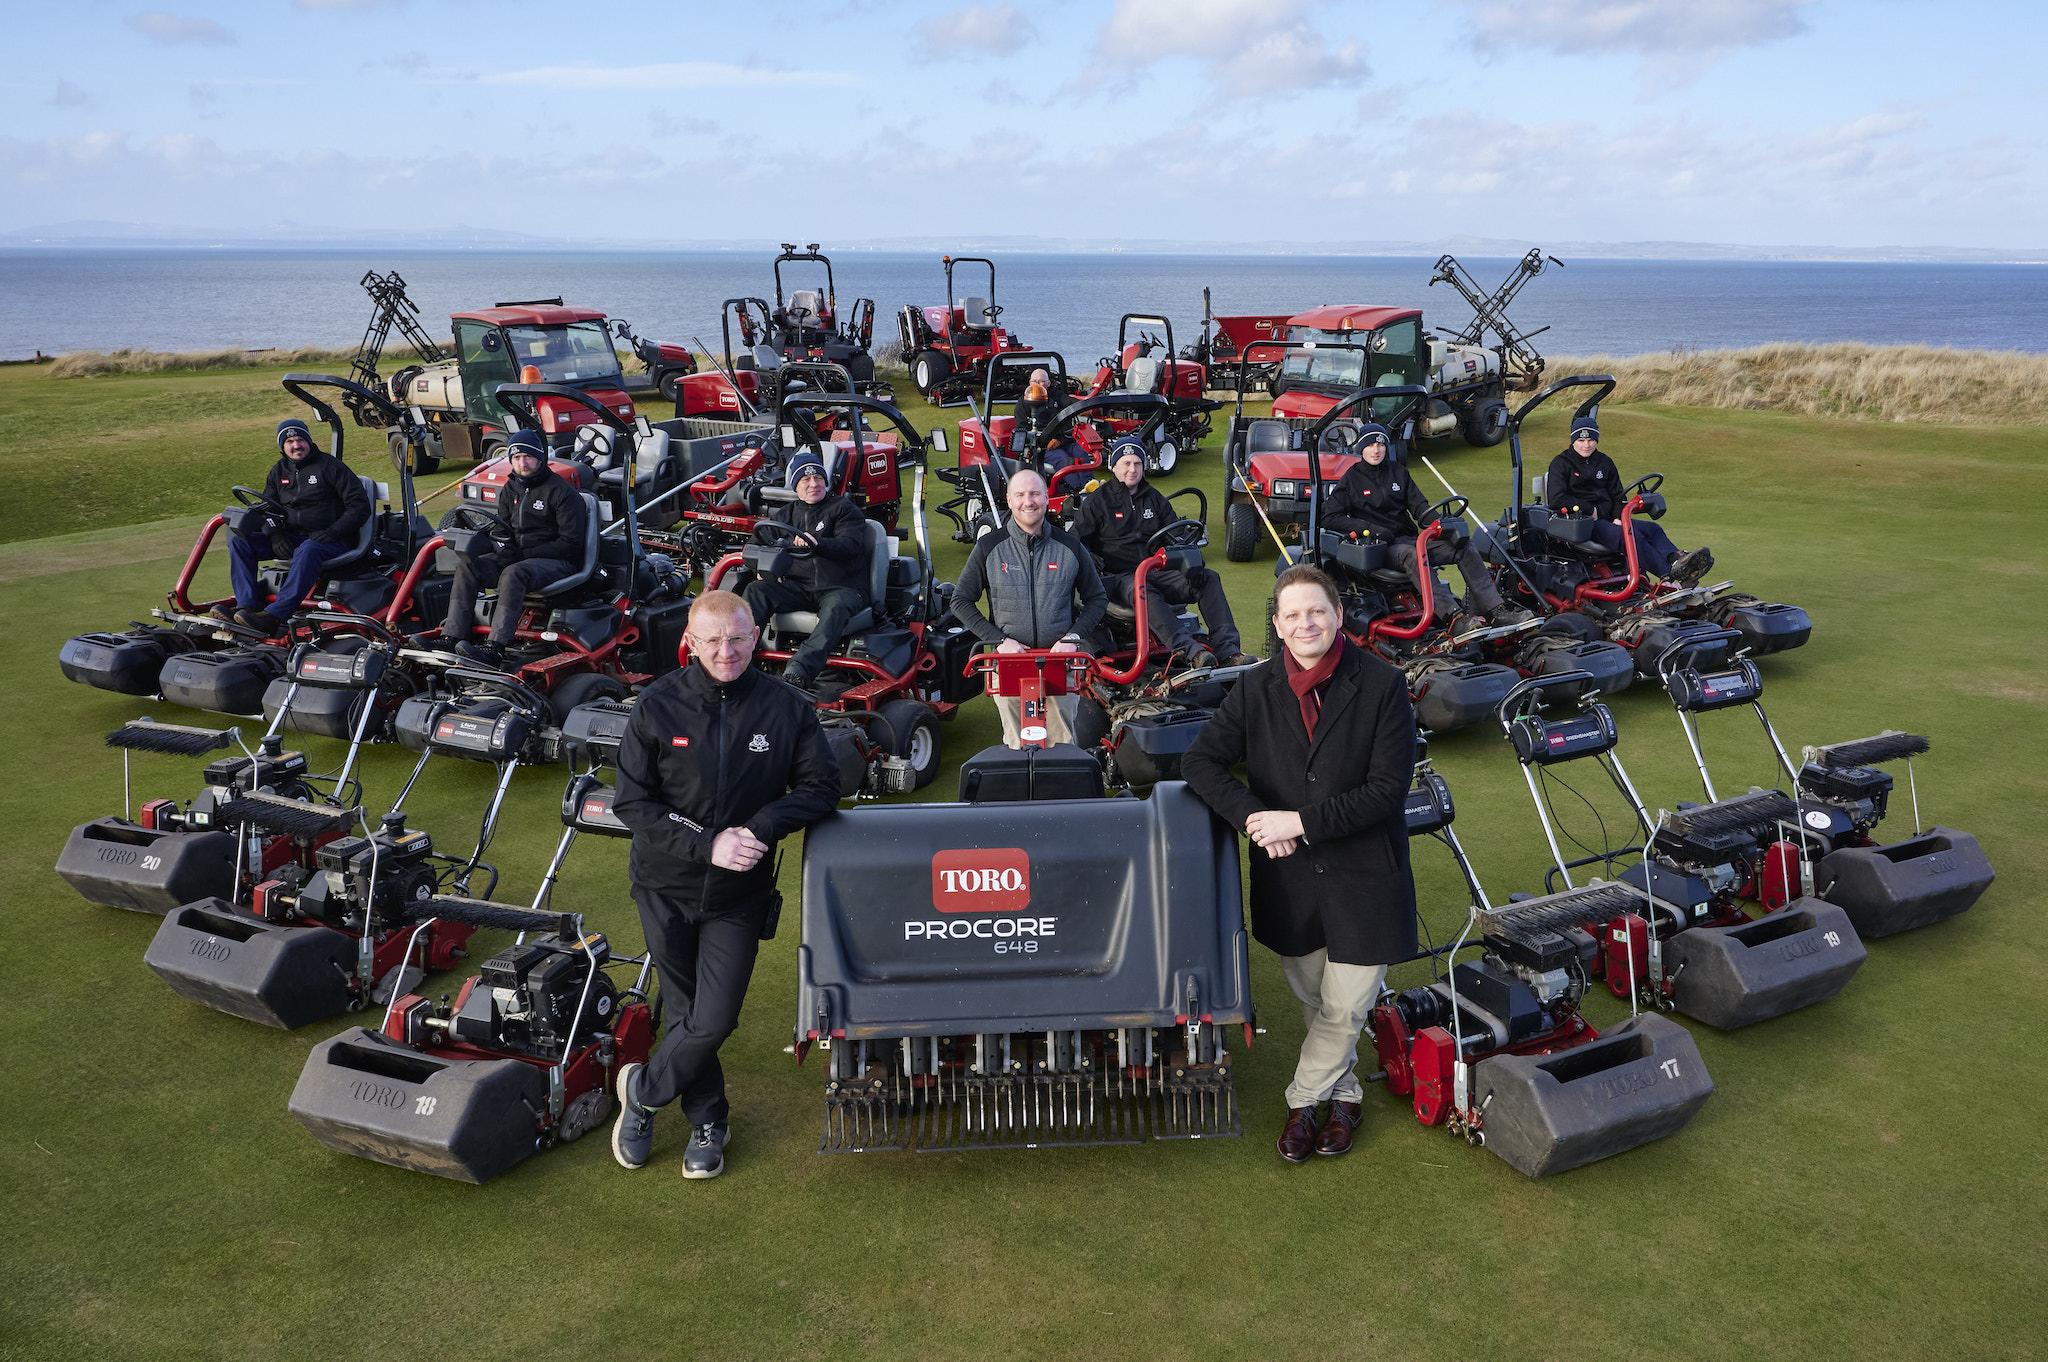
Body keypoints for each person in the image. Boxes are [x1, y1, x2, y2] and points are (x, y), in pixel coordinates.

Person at [1181, 564, 1417, 1163]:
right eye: (1292, 615)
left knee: (1346, 1006)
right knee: (1317, 1002)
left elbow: (1387, 790)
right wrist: (1256, 819)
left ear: (1338, 615)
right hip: (1290, 884)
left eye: (1316, 611)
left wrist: (1300, 823)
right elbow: (1201, 764)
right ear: (1279, 627)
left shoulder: (1384, 684)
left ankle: (1303, 1101)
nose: (1305, 623)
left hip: (1366, 877)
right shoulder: (1256, 688)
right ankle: (1346, 1098)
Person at [609, 590, 840, 1177]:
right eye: (711, 640)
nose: (726, 651)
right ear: (690, 641)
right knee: (686, 1010)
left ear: (756, 633)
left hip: (739, 896)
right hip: (664, 887)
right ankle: (709, 1120)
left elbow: (821, 788)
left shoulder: (786, 708)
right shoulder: (656, 706)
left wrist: (761, 825)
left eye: (737, 638)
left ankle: (643, 1093)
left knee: (713, 1019)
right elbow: (633, 803)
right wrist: (708, 842)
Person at [951, 466, 1108, 747]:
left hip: (1060, 664)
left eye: (1035, 494)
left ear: (1047, 499)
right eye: (1020, 495)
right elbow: (960, 601)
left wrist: (1072, 639)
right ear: (1009, 501)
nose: (1028, 501)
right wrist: (998, 640)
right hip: (1008, 664)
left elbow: (1097, 599)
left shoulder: (1069, 546)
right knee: (1016, 745)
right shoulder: (989, 547)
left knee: (1062, 745)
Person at [1321, 422, 1531, 631]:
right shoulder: (1351, 479)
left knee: (1464, 547)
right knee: (1413, 555)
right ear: (1361, 448)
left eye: (1380, 445)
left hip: (1410, 539)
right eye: (1370, 446)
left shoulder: (1398, 472)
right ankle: (1453, 618)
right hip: (1382, 547)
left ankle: (1495, 611)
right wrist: (1369, 528)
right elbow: (1330, 517)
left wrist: (1440, 523)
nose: (1376, 450)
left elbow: (1420, 508)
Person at [1070, 441, 1255, 669]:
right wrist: (1090, 558)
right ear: (1114, 466)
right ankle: (1191, 652)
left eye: (1137, 463)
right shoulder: (1098, 502)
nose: (1132, 469)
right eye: (1126, 463)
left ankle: (1229, 651)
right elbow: (1075, 541)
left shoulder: (1154, 498)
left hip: (1155, 570)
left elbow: (1175, 532)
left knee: (1208, 578)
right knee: (1143, 589)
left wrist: (1192, 560)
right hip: (1119, 578)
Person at [440, 429, 587, 665]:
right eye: (516, 458)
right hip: (520, 557)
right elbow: (502, 527)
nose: (522, 463)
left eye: (527, 457)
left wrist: (521, 555)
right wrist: (501, 548)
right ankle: (451, 636)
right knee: (469, 565)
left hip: (558, 562)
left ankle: (496, 647)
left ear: (540, 458)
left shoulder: (562, 492)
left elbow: (570, 544)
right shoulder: (511, 488)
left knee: (513, 573)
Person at [221, 417, 370, 634]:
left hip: (332, 539)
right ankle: (247, 607)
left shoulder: (330, 467)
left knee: (307, 549)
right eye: (289, 441)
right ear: (283, 446)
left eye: (300, 439)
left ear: (308, 441)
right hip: (293, 537)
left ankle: (275, 615)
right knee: (240, 542)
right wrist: (274, 535)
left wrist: (332, 531)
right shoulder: (278, 471)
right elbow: (267, 509)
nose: (295, 445)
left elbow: (359, 506)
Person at [740, 451, 871, 691]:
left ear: (825, 480)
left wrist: (818, 543)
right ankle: (740, 660)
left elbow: (850, 546)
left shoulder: (844, 509)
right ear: (795, 486)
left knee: (836, 607)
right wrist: (761, 567)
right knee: (756, 590)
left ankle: (800, 670)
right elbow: (755, 544)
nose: (813, 484)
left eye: (818, 478)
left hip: (842, 587)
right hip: (799, 588)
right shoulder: (785, 516)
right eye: (805, 480)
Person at [1547, 415, 1713, 585]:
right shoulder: (1561, 463)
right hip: (1584, 524)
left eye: (1590, 439)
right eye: (1581, 440)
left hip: (1609, 519)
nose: (1586, 445)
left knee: (1652, 529)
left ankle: (1677, 561)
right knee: (1632, 536)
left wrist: (1619, 517)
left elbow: (1618, 495)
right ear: (1573, 440)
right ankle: (1668, 576)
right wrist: (1590, 509)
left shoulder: (1604, 462)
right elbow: (1556, 499)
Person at [1012, 368, 1084, 494]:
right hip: (1040, 446)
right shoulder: (1023, 403)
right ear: (1029, 382)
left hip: (1061, 440)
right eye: (1034, 381)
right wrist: (1043, 441)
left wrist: (1084, 407)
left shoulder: (1056, 395)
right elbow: (1022, 430)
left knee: (1081, 452)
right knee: (1063, 459)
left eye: (1041, 381)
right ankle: (1078, 490)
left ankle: (1090, 486)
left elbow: (1071, 404)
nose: (1037, 384)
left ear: (1049, 383)